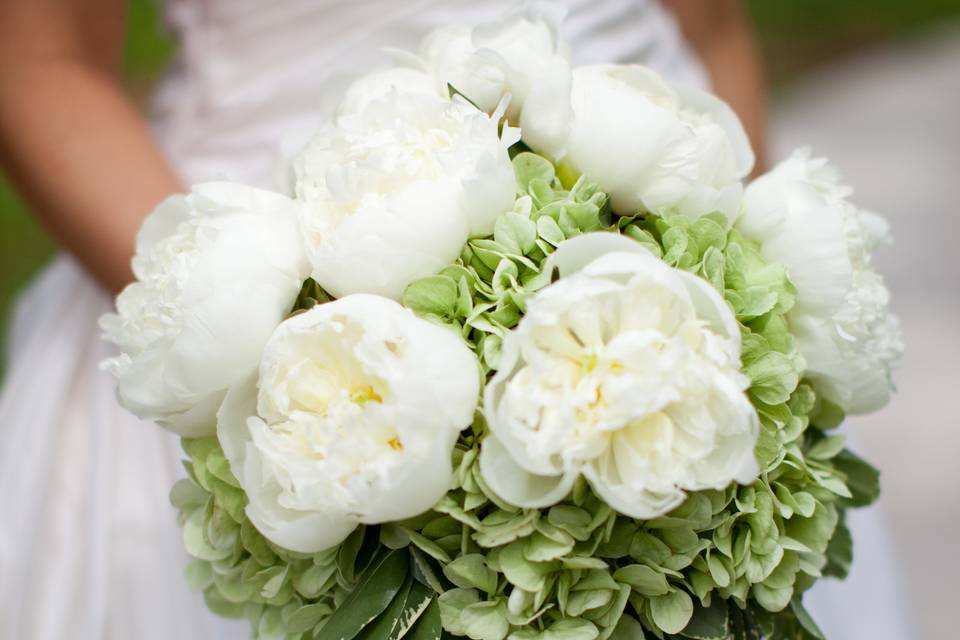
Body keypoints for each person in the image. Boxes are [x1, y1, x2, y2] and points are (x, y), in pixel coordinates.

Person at [0, 1, 898, 638]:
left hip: (664, 294)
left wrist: (734, 308)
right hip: (290, 315)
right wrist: (294, 355)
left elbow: (709, 27)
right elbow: (38, 61)